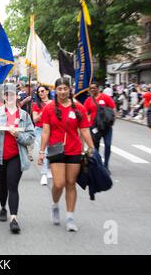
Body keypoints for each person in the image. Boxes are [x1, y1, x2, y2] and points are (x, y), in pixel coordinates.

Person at [38, 78, 95, 232]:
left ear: (70, 89)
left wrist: (92, 147)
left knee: (70, 183)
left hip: (74, 149)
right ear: (55, 90)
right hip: (56, 150)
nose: (62, 92)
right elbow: (45, 131)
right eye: (59, 89)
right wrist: (42, 151)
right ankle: (55, 205)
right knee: (58, 183)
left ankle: (70, 217)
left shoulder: (79, 108)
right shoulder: (49, 108)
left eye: (65, 88)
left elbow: (84, 130)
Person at [0, 84, 35, 234]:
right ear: (4, 97)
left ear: (16, 97)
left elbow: (31, 137)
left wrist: (18, 135)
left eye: (13, 94)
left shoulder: (24, 116)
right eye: (7, 95)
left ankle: (14, 219)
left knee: (12, 186)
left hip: (16, 156)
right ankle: (2, 207)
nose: (10, 97)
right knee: (2, 187)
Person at [84, 83, 116, 174]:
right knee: (95, 147)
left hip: (106, 127)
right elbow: (86, 114)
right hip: (95, 128)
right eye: (91, 88)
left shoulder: (105, 97)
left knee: (108, 144)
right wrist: (89, 124)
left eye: (94, 88)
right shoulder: (88, 100)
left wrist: (112, 121)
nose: (92, 90)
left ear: (98, 88)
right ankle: (98, 165)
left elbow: (113, 109)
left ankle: (106, 165)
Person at [32, 85, 52, 185]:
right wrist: (43, 112)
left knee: (51, 151)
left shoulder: (53, 103)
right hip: (40, 130)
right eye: (38, 92)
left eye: (42, 91)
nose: (41, 93)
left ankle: (48, 168)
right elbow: (35, 119)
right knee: (44, 151)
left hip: (51, 130)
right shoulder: (36, 104)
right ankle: (44, 174)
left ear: (47, 92)